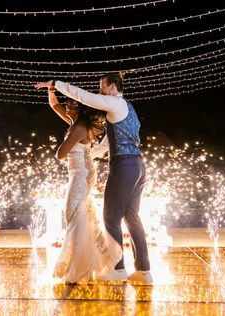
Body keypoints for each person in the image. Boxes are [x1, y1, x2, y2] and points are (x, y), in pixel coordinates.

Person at [35, 73, 152, 284]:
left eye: (102, 87)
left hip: (124, 165)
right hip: (137, 164)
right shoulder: (126, 108)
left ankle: (116, 270)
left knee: (110, 217)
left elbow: (84, 97)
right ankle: (144, 271)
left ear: (113, 87)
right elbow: (109, 142)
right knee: (132, 216)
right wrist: (87, 154)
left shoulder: (115, 102)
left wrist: (56, 84)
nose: (99, 92)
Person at [44, 86, 122, 284]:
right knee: (80, 216)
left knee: (74, 216)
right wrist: (50, 90)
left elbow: (60, 154)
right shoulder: (75, 123)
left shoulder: (78, 128)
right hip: (82, 173)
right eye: (68, 105)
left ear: (79, 109)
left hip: (80, 176)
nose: (67, 108)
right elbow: (54, 105)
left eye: (70, 105)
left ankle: (79, 269)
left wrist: (64, 147)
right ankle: (90, 262)